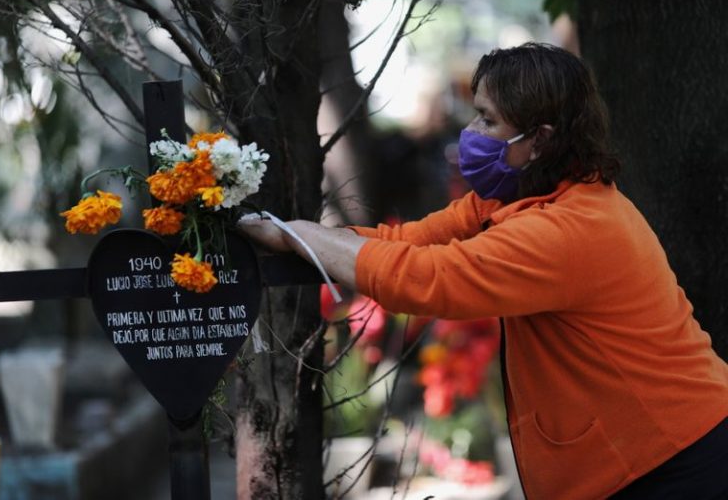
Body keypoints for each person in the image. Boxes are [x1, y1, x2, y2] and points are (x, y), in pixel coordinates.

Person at [238, 42, 728, 499]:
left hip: (673, 457)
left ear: (538, 140)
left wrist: (295, 235)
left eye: (487, 120)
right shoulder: (517, 197)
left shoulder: (569, 229)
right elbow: (404, 243)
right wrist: (302, 237)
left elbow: (426, 279)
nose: (470, 133)